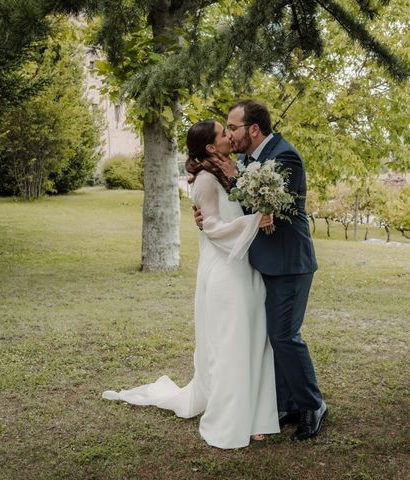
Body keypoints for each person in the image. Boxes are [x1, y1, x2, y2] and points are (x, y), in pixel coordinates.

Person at [102, 120, 279, 449]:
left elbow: (228, 212)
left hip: (244, 267)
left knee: (254, 340)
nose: (230, 135)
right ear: (211, 147)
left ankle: (256, 415)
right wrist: (253, 220)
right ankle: (229, 419)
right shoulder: (206, 180)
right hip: (226, 273)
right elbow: (211, 227)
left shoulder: (230, 170)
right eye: (223, 132)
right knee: (231, 345)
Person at [195, 100, 327, 441]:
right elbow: (231, 199)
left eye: (233, 128)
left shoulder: (285, 157)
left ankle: (313, 404)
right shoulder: (244, 159)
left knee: (284, 335)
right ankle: (288, 404)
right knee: (271, 337)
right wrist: (207, 216)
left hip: (288, 262)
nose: (230, 134)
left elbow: (273, 208)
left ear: (253, 129)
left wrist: (235, 182)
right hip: (257, 263)